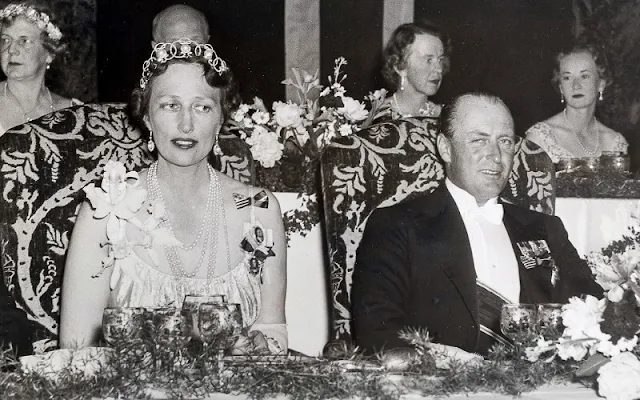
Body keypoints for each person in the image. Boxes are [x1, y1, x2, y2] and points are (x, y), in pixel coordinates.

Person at [60, 39, 287, 354]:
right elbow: (75, 349)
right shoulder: (106, 209)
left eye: (202, 107)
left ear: (221, 119)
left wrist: (266, 345)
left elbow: (272, 329)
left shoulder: (259, 207)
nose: (186, 124)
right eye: (170, 104)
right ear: (148, 117)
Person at [352, 92, 602, 355]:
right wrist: (447, 360)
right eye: (478, 140)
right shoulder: (397, 225)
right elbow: (376, 330)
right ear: (446, 148)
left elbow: (595, 311)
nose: (495, 155)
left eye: (504, 141)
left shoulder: (545, 228)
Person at [525, 42, 628, 164]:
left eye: (584, 76)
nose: (575, 86)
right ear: (561, 88)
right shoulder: (540, 138)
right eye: (567, 78)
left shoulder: (615, 142)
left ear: (601, 84)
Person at [0, 1, 80, 136]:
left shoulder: (74, 111)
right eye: (5, 40)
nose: (12, 50)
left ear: (49, 53)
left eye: (24, 41)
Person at [380, 22, 450, 119]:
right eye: (428, 60)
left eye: (440, 60)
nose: (439, 69)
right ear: (400, 67)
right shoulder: (376, 118)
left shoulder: (447, 118)